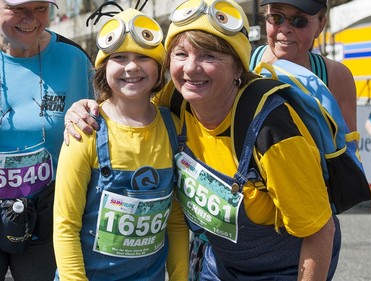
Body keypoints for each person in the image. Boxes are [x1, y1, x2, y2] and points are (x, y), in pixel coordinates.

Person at [63, 0, 341, 280]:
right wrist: (85, 109)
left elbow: (320, 231)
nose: (191, 68)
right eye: (181, 54)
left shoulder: (273, 132)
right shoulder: (175, 100)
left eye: (209, 56)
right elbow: (125, 105)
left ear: (238, 68)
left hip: (287, 268)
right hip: (220, 265)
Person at [53, 6, 188, 281]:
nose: (131, 66)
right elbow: (66, 225)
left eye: (142, 57)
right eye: (120, 57)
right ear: (104, 68)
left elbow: (175, 219)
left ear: (158, 67)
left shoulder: (173, 127)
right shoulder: (85, 131)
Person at [0, 0, 93, 279]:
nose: (31, 18)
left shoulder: (74, 58)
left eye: (40, 8)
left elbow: (104, 121)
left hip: (48, 215)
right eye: (18, 8)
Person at [249, 0, 357, 132]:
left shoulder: (335, 76)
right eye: (276, 17)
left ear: (321, 25)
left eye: (299, 20)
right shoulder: (240, 64)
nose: (285, 28)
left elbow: (349, 149)